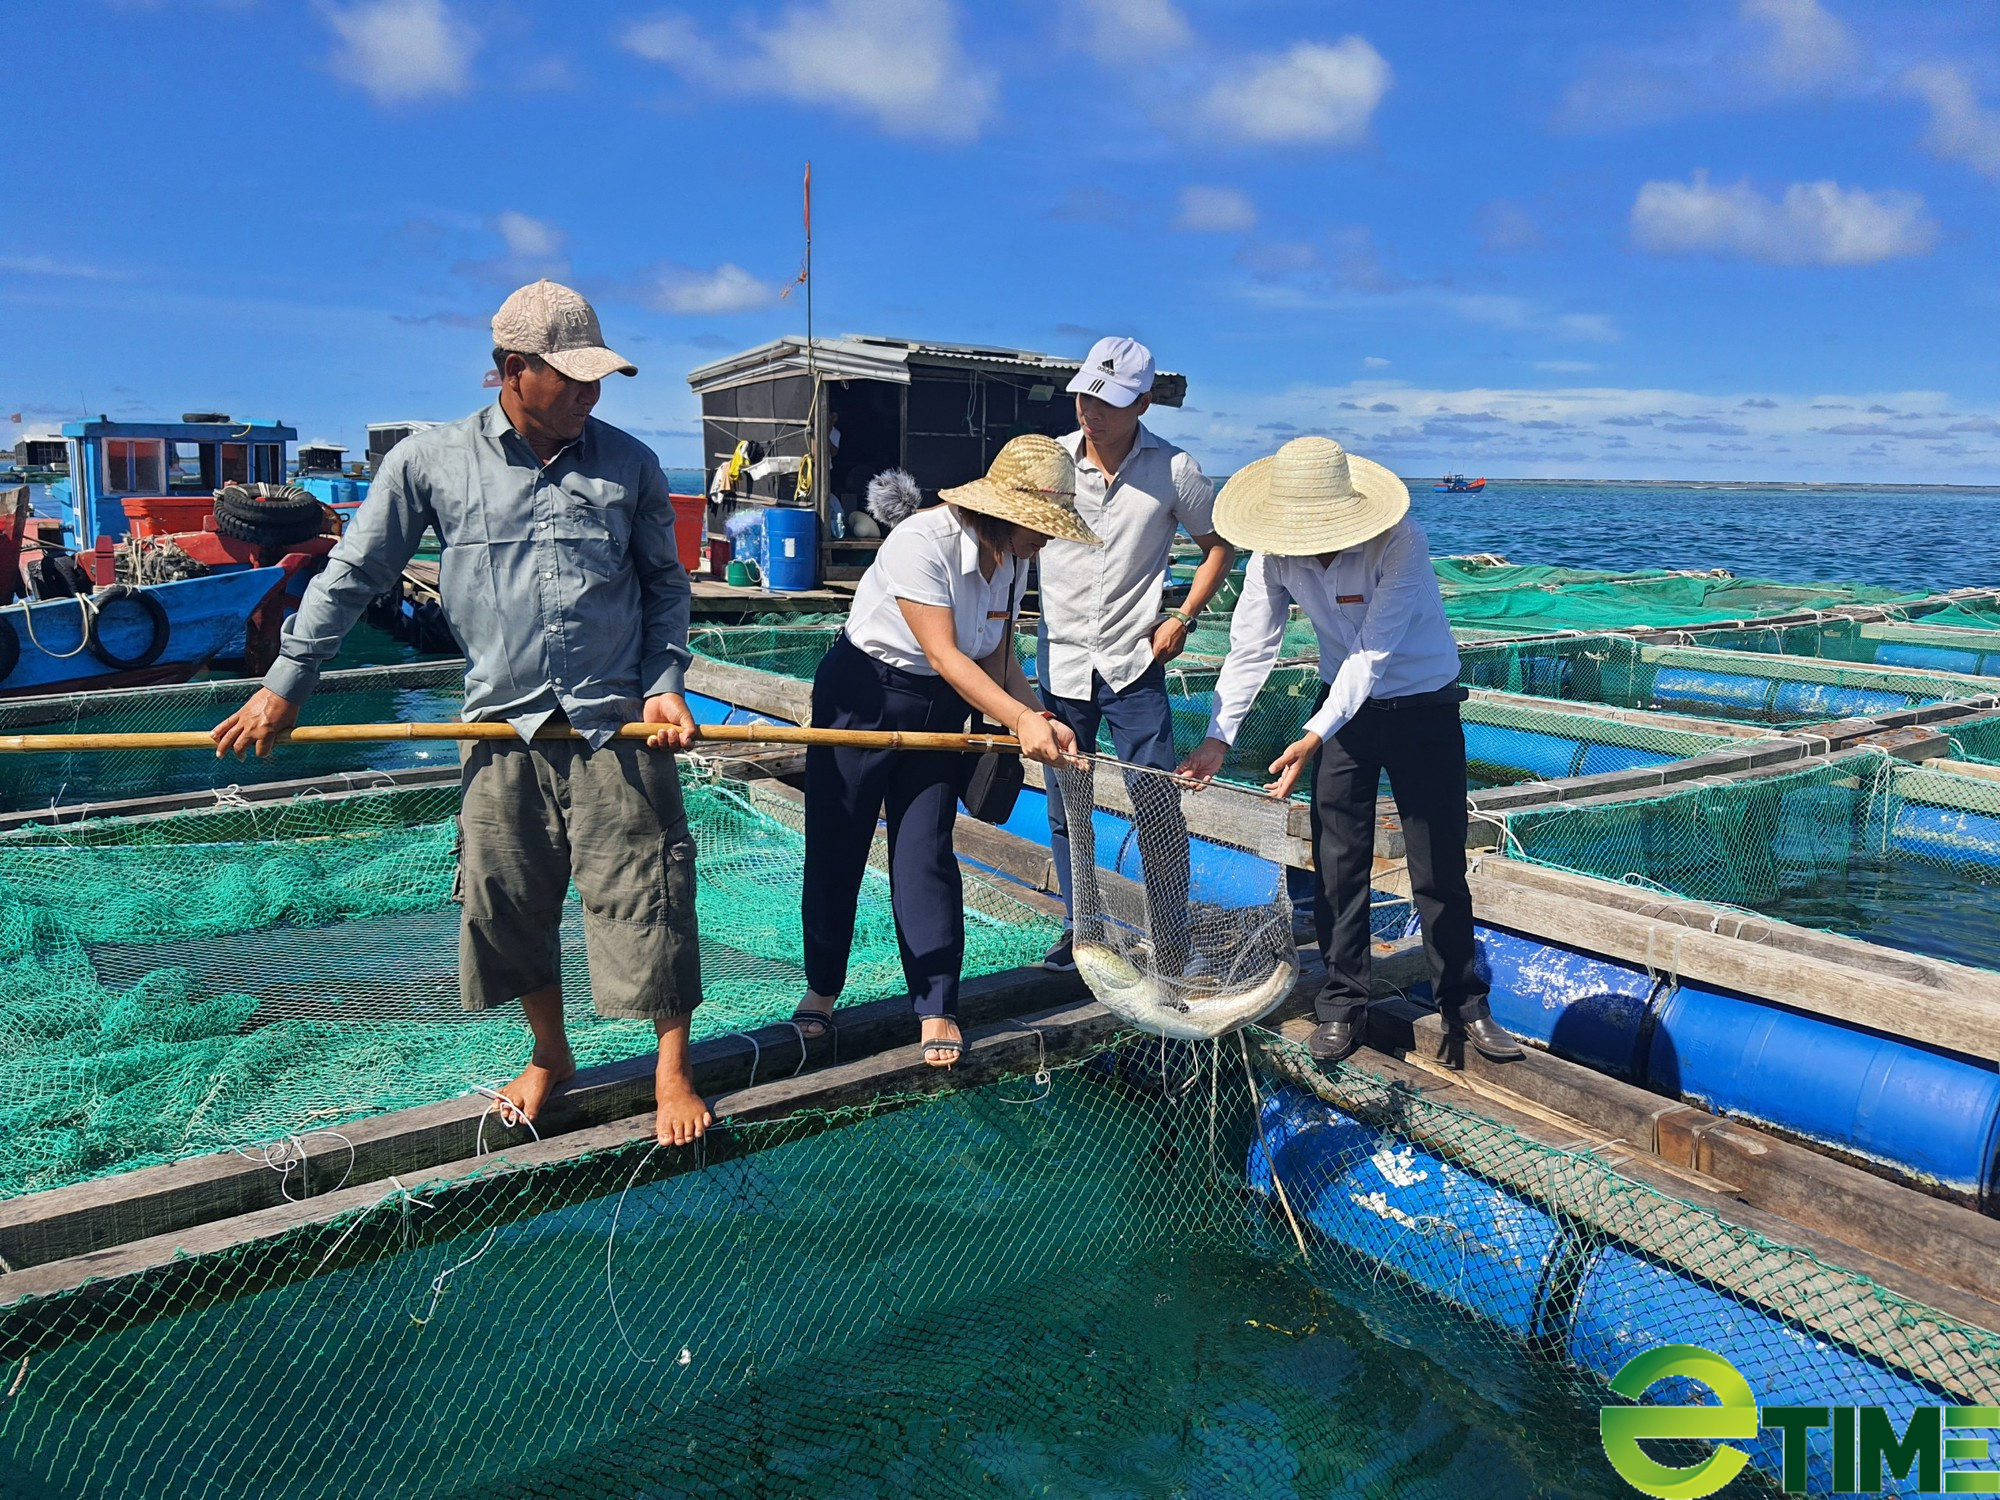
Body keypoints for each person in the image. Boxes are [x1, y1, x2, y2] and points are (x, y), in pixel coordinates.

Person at [212, 279, 713, 1146]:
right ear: (513, 371)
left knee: (650, 890)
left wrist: (666, 680)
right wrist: (288, 682)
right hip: (499, 722)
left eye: (599, 380)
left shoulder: (629, 463)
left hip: (616, 721)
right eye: (573, 379)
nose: (590, 396)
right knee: (506, 899)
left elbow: (665, 588)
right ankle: (549, 1053)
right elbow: (354, 575)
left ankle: (673, 1067)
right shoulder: (428, 462)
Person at [1178, 435, 1523, 1067]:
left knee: (1437, 860)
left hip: (1423, 703)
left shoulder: (1401, 540)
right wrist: (1217, 737)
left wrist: (1312, 735)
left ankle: (1465, 1004)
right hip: (1340, 714)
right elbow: (1252, 644)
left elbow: (1373, 652)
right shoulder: (1273, 554)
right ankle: (1342, 1003)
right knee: (1336, 859)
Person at [797, 436, 1096, 1067]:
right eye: (1041, 528)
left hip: (942, 704)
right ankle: (821, 992)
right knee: (839, 841)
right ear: (1005, 515)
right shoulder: (920, 541)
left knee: (926, 847)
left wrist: (1039, 715)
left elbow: (996, 654)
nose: (1046, 541)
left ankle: (936, 1005)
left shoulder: (1012, 560)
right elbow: (943, 651)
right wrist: (1016, 719)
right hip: (865, 692)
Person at [1036, 336, 1236, 974]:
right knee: (1068, 807)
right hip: (1060, 661)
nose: (1091, 412)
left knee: (1156, 804)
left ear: (1144, 403)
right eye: (1084, 396)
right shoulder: (1049, 465)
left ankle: (1170, 937)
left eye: (1111, 401)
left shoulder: (1175, 470)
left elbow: (1218, 547)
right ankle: (1081, 931)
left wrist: (1182, 615)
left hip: (1133, 665)